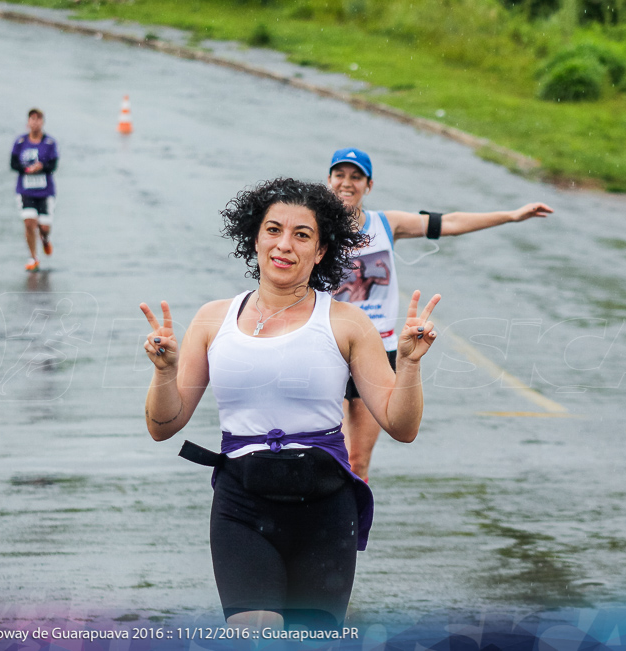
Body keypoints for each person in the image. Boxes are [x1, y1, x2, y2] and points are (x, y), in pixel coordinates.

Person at [139, 178, 440, 630]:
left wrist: (411, 366)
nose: (285, 245)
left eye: (302, 235)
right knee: (252, 635)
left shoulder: (347, 323)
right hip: (242, 505)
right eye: (273, 229)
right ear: (255, 237)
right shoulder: (212, 319)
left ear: (321, 251)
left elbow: (403, 426)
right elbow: (163, 425)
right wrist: (164, 373)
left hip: (326, 511)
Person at [327, 147, 554, 481]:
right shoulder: (313, 226)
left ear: (368, 185)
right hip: (329, 347)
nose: (347, 183)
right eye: (340, 175)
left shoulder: (386, 224)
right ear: (329, 179)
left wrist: (510, 215)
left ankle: (351, 531)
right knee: (328, 456)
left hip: (377, 351)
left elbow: (449, 222)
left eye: (356, 177)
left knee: (357, 462)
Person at [10, 108, 58, 272]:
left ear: (42, 122)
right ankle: (33, 257)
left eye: (38, 119)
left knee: (43, 227)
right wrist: (26, 170)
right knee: (29, 223)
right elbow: (13, 164)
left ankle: (45, 239)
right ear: (28, 122)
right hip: (26, 190)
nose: (35, 122)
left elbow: (53, 165)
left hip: (45, 191)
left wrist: (41, 167)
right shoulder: (20, 142)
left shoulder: (49, 143)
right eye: (32, 119)